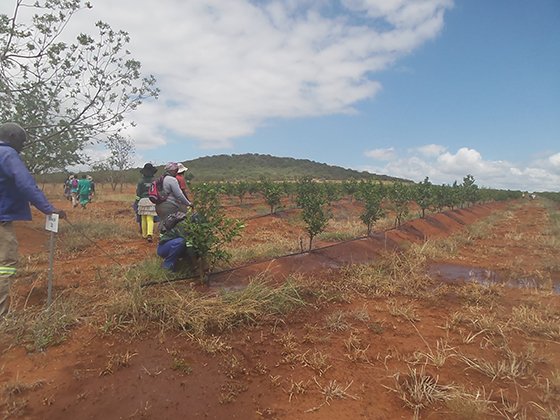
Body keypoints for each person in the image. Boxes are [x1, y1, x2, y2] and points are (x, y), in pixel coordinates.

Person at [0, 122, 66, 317]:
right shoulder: (8, 154)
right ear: (12, 136)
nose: (23, 145)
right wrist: (48, 209)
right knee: (5, 264)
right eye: (22, 141)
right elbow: (26, 184)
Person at [136, 163, 158, 242]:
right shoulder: (155, 181)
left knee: (143, 218)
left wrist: (137, 201)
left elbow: (138, 193)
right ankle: (150, 234)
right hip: (151, 200)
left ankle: (144, 235)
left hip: (142, 201)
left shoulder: (141, 181)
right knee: (150, 218)